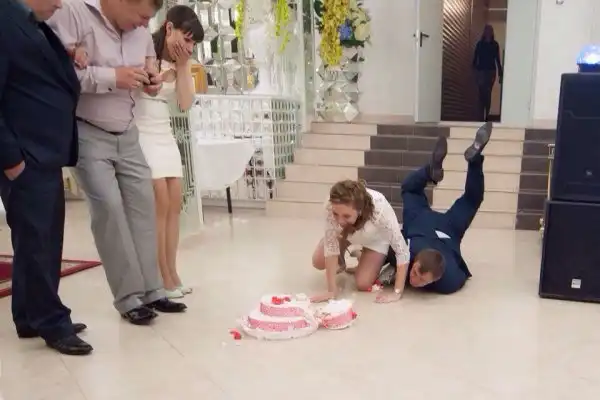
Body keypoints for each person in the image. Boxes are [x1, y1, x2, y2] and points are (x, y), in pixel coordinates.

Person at [47, 0, 187, 325]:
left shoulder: (140, 33)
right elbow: (60, 74)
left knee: (143, 207)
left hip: (128, 132)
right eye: (141, 16)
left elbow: (149, 77)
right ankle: (128, 298)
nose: (144, 25)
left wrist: (152, 82)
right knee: (109, 209)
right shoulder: (74, 14)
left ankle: (153, 290)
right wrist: (112, 77)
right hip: (88, 131)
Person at [0, 0, 92, 355]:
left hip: (42, 152)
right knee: (40, 243)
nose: (60, 3)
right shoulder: (4, 21)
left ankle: (28, 315)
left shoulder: (30, 23)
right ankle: (53, 322)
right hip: (25, 154)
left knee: (36, 239)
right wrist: (11, 159)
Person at [135, 5, 204, 298]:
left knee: (175, 200)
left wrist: (183, 66)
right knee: (159, 202)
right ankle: (159, 276)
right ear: (168, 28)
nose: (188, 47)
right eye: (185, 39)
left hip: (163, 130)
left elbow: (185, 104)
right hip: (140, 127)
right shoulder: (144, 50)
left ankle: (172, 273)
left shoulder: (181, 62)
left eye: (192, 43)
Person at [382, 122, 493, 295]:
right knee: (471, 200)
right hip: (441, 228)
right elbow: (384, 247)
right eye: (415, 272)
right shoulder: (405, 252)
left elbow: (384, 247)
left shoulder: (448, 282)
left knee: (411, 189)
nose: (414, 280)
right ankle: (473, 160)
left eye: (422, 280)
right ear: (415, 261)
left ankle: (431, 172)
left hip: (431, 225)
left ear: (436, 280)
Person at [311, 181, 411, 303]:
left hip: (375, 240)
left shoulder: (381, 210)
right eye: (336, 214)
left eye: (346, 216)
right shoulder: (331, 204)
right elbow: (331, 247)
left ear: (360, 210)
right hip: (345, 235)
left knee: (363, 283)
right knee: (318, 261)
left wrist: (397, 293)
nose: (340, 221)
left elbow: (402, 251)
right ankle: (341, 259)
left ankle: (362, 255)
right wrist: (331, 290)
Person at [472, 25, 503, 122]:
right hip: (481, 71)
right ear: (484, 32)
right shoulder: (480, 44)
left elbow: (497, 59)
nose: (488, 32)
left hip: (491, 71)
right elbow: (475, 57)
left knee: (488, 92)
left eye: (490, 31)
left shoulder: (495, 45)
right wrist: (474, 70)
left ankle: (486, 114)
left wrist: (500, 73)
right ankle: (481, 115)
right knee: (482, 93)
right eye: (487, 30)